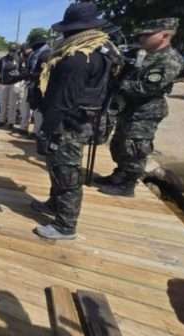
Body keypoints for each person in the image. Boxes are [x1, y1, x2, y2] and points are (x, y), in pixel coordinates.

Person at [32, 2, 121, 240]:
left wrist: (45, 131)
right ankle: (54, 204)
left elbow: (64, 99)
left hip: (69, 123)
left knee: (66, 172)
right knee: (58, 166)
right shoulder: (102, 50)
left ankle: (65, 225)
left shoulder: (77, 57)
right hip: (84, 118)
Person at [95, 18, 184, 197]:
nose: (142, 38)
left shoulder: (170, 60)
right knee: (120, 143)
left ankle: (128, 184)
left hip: (146, 111)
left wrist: (120, 83)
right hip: (130, 108)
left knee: (135, 146)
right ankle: (120, 174)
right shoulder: (145, 54)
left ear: (165, 35)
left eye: (147, 35)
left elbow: (147, 87)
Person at [19, 32, 53, 137]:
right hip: (30, 84)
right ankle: (24, 127)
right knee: (26, 106)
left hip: (40, 86)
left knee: (38, 110)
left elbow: (45, 73)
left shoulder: (47, 54)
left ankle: (36, 132)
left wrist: (31, 74)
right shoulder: (34, 54)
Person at [0, 44, 23, 129]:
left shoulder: (19, 60)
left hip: (14, 84)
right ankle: (1, 120)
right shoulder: (2, 60)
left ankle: (11, 122)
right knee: (3, 103)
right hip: (4, 84)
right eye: (11, 50)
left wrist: (20, 82)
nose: (12, 52)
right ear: (8, 50)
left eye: (14, 51)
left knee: (12, 104)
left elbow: (22, 72)